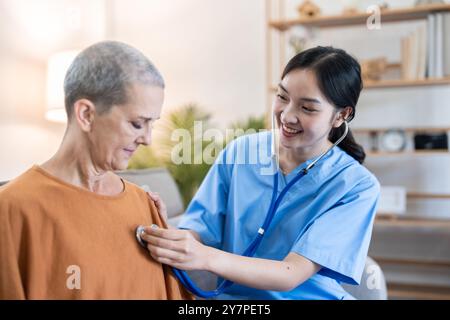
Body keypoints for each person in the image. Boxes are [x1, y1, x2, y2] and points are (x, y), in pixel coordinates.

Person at [140, 46, 380, 300]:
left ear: (341, 115)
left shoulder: (356, 186)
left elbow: (291, 273)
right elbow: (197, 229)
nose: (287, 116)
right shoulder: (240, 153)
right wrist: (165, 232)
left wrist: (206, 257)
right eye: (282, 97)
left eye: (307, 108)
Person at [0, 41, 191, 299]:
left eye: (152, 124)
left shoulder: (144, 204)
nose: (147, 140)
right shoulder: (13, 209)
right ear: (86, 114)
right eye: (137, 124)